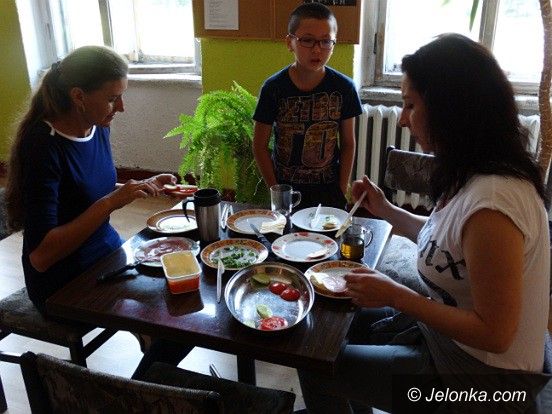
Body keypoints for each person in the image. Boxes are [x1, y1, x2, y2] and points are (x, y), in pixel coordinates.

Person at [298, 33, 551, 413]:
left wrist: (398, 296)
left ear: (451, 108)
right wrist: (386, 209)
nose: (402, 119)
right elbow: (446, 245)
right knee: (324, 327)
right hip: (447, 342)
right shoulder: (475, 173)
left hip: (485, 383)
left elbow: (495, 334)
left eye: (410, 105)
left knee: (315, 364)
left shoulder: (494, 204)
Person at [5, 45, 191, 378]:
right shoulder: (42, 146)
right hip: (62, 282)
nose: (121, 107)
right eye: (112, 98)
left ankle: (147, 371)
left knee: (186, 294)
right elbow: (41, 257)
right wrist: (111, 202)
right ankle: (135, 394)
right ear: (78, 96)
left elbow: (88, 189)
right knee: (176, 319)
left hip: (107, 257)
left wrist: (141, 185)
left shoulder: (96, 126)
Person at [252, 2, 362, 209]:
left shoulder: (344, 88)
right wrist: (276, 191)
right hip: (287, 190)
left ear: (334, 43)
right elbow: (259, 145)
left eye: (326, 41)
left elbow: (348, 143)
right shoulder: (273, 88)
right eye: (307, 40)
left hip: (329, 190)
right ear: (290, 42)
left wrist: (341, 188)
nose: (317, 49)